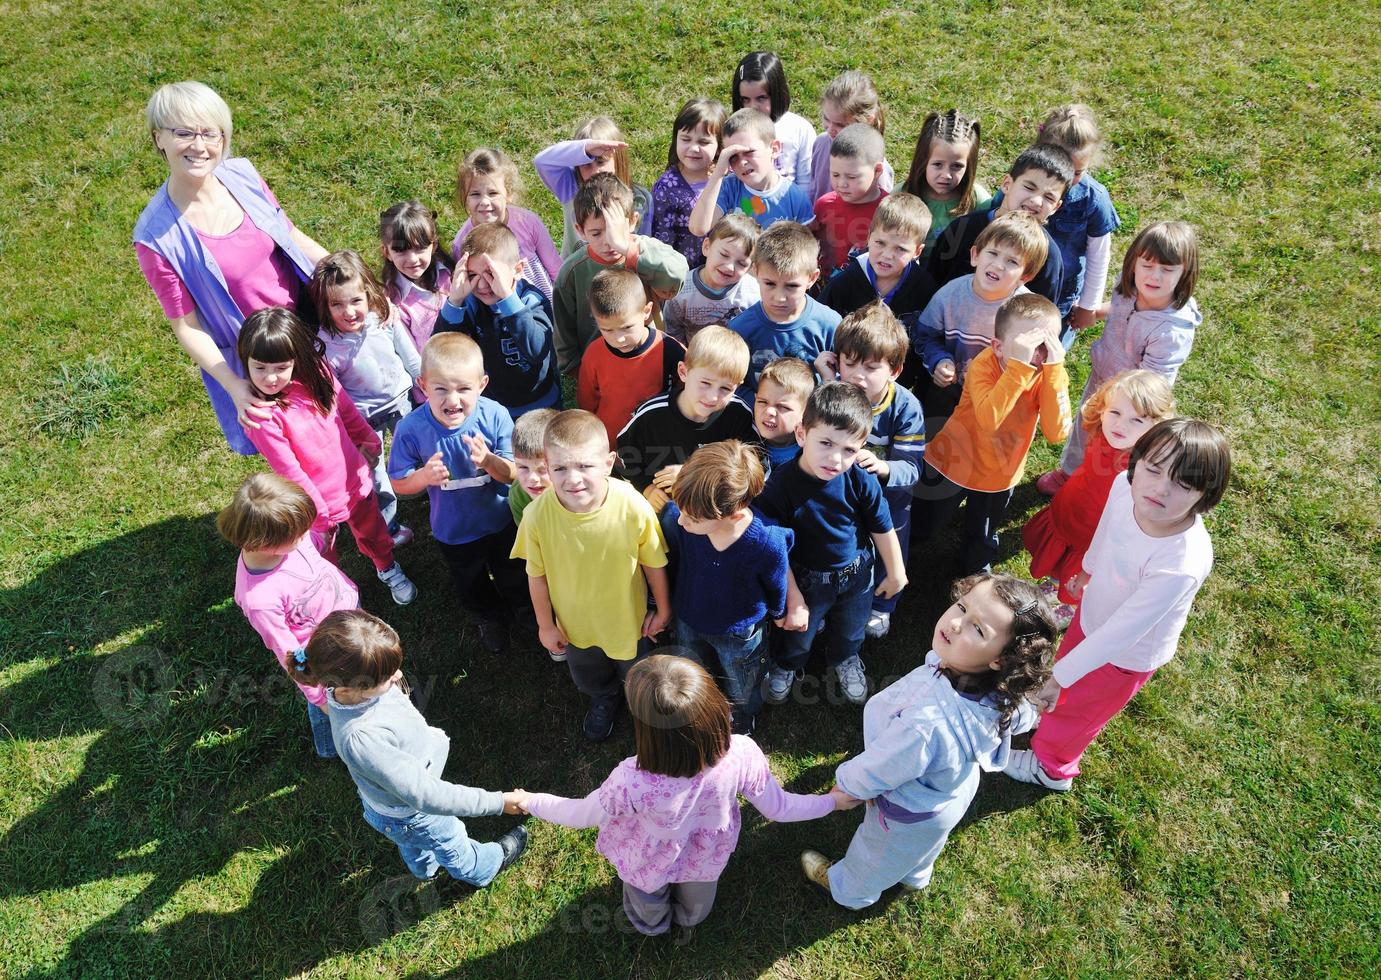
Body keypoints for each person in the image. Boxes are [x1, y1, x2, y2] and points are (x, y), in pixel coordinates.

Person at [512, 656, 848, 936]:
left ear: (649, 735)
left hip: (645, 859)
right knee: (697, 903)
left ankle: (653, 926)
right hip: (704, 858)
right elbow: (781, 807)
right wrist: (832, 801)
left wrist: (530, 800)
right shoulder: (743, 753)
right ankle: (689, 920)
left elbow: (580, 813)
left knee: (646, 898)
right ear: (716, 705)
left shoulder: (631, 780)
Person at [800, 573, 1057, 907]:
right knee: (925, 843)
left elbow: (881, 768)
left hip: (904, 810)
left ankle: (849, 890)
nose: (955, 624)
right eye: (962, 607)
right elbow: (1022, 714)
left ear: (1001, 659)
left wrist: (846, 787)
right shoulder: (1001, 690)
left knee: (875, 854)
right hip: (950, 794)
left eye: (978, 629)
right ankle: (916, 874)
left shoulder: (924, 727)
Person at [1005, 419, 1230, 792]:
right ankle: (1047, 709)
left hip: (1126, 657)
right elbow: (1107, 533)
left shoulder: (1180, 563)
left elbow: (1120, 635)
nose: (1159, 488)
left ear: (1206, 496)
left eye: (1183, 483)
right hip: (1094, 614)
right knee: (1068, 672)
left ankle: (1052, 767)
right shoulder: (1125, 489)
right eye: (1153, 469)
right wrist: (1089, 571)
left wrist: (1059, 679)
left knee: (1079, 711)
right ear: (1136, 462)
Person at [134, 81, 329, 454]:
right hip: (264, 360)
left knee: (348, 426)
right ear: (158, 138)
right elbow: (186, 326)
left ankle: (378, 508)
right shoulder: (156, 237)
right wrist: (234, 385)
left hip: (312, 325)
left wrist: (350, 279)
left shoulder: (242, 175)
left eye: (211, 133)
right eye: (183, 133)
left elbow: (289, 234)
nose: (199, 145)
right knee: (307, 455)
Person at [299, 610, 529, 885]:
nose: (396, 675)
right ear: (351, 687)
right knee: (450, 839)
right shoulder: (363, 739)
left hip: (391, 808)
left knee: (412, 841)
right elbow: (426, 796)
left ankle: (423, 869)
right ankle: (482, 868)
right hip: (414, 814)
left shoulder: (342, 689)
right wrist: (498, 802)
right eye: (385, 678)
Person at [235, 307, 416, 604]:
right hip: (315, 508)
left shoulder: (317, 376)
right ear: (246, 362)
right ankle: (334, 593)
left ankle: (387, 567)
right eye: (260, 368)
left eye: (281, 367)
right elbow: (289, 470)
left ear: (296, 358)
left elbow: (346, 411)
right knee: (322, 555)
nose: (270, 378)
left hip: (354, 480)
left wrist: (368, 441)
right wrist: (319, 514)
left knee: (373, 531)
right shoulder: (262, 416)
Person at [511, 410, 671, 740]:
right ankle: (603, 698)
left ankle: (640, 704)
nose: (572, 479)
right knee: (589, 675)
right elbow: (536, 575)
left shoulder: (631, 505)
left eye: (584, 466)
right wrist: (545, 624)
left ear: (609, 463)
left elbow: (654, 561)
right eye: (559, 468)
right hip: (574, 628)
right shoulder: (536, 515)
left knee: (638, 673)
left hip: (629, 622)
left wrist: (664, 610)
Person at [756, 383, 907, 706]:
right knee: (799, 634)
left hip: (857, 574)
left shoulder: (860, 478)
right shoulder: (780, 486)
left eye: (849, 450)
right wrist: (794, 598)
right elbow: (775, 549)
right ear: (801, 434)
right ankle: (788, 664)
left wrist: (895, 572)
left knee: (852, 628)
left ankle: (845, 658)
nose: (836, 459)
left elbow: (882, 525)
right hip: (807, 580)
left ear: (862, 447)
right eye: (825, 443)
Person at [1038, 221, 1202, 494]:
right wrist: (1095, 312)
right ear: (1133, 263)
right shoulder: (1128, 286)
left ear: (1184, 273)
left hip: (1131, 403)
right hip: (1102, 377)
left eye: (1167, 270)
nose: (1155, 277)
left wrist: (1119, 405)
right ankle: (1068, 473)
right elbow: (1118, 306)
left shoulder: (1171, 331)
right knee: (1083, 426)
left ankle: (1096, 488)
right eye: (1147, 266)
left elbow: (1153, 383)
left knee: (1112, 445)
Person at [914, 294, 1072, 575]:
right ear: (997, 347)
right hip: (953, 462)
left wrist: (1054, 373)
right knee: (923, 523)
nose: (1039, 354)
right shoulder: (983, 365)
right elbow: (990, 419)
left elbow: (1056, 432)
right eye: (1028, 345)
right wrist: (1018, 369)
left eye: (1047, 344)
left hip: (1000, 472)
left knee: (982, 531)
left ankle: (974, 565)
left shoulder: (1048, 374)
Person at [388, 333, 525, 654]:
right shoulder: (411, 428)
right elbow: (399, 483)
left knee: (514, 571)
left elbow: (513, 474)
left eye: (464, 389)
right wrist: (422, 476)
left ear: (482, 384)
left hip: (502, 521)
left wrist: (489, 460)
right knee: (470, 581)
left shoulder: (495, 415)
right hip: (454, 531)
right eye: (441, 389)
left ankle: (524, 607)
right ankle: (488, 616)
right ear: (422, 385)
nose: (453, 400)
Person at [218, 473, 360, 758]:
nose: (305, 535)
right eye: (298, 535)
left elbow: (310, 548)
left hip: (343, 618)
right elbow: (290, 655)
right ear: (265, 544)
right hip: (321, 658)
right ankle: (330, 746)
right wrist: (321, 698)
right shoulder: (260, 599)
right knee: (329, 707)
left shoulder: (289, 537)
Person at [1023, 370, 1176, 628]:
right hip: (1070, 509)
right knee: (1060, 559)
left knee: (1079, 568)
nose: (1120, 425)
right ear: (1103, 409)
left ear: (1155, 427)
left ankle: (1071, 605)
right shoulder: (1102, 434)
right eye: (1115, 413)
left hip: (1095, 532)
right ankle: (1058, 582)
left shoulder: (1143, 466)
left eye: (1137, 420)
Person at [665, 442, 794, 734]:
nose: (681, 520)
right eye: (681, 509)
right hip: (689, 616)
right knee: (694, 666)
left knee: (743, 679)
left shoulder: (766, 542)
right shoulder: (685, 518)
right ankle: (700, 703)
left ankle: (744, 716)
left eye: (693, 518)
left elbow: (776, 582)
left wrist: (778, 611)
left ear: (734, 515)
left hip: (739, 632)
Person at [819, 302, 927, 640]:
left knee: (888, 552)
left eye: (871, 367)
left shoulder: (906, 407)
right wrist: (826, 379)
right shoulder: (836, 392)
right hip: (841, 501)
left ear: (894, 370)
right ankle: (828, 601)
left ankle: (883, 605)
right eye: (849, 364)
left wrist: (882, 466)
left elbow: (911, 468)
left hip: (888, 504)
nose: (857, 376)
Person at [309, 250, 420, 545]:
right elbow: (334, 393)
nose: (349, 312)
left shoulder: (381, 316)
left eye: (356, 300)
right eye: (337, 304)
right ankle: (390, 527)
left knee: (418, 448)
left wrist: (423, 374)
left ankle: (431, 491)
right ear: (324, 306)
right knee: (374, 474)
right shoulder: (326, 345)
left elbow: (407, 351)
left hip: (401, 400)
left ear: (368, 295)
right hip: (363, 418)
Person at [910, 212, 1048, 428]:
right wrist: (939, 360)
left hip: (995, 398)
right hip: (948, 390)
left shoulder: (1027, 314)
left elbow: (1038, 363)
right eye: (993, 253)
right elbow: (924, 335)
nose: (998, 265)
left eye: (1012, 261)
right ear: (975, 255)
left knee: (979, 451)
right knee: (934, 441)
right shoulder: (949, 295)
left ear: (1025, 276)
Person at [552, 174, 688, 374]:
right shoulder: (572, 271)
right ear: (580, 230)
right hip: (601, 367)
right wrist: (576, 369)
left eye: (615, 230)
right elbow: (564, 330)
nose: (608, 242)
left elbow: (676, 277)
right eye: (597, 233)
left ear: (633, 221)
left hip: (649, 358)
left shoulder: (646, 249)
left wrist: (628, 250)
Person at [615, 327, 757, 517]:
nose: (713, 397)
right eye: (705, 383)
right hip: (664, 508)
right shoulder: (651, 416)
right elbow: (624, 455)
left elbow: (754, 467)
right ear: (683, 372)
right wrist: (646, 488)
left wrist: (692, 474)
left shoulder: (739, 415)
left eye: (725, 388)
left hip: (716, 509)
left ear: (737, 387)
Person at [433, 222, 561, 420]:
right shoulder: (470, 304)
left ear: (518, 270)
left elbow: (537, 349)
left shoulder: (532, 300)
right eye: (473, 275)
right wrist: (455, 300)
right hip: (493, 406)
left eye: (492, 274)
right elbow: (442, 349)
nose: (483, 284)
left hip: (542, 403)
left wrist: (508, 301)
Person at [926, 143, 1073, 305]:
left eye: (1049, 197)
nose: (1036, 201)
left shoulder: (1047, 255)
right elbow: (932, 283)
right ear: (1007, 184)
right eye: (1029, 187)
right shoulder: (963, 228)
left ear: (1056, 207)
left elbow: (1041, 314)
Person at [1032, 105, 1122, 345]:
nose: (1067, 179)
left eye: (1077, 172)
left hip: (1060, 300)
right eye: (1061, 168)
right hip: (1014, 285)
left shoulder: (1093, 199)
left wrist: (1088, 306)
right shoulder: (1026, 182)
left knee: (1048, 359)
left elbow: (1099, 256)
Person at [726, 221, 841, 392]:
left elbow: (844, 378)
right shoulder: (739, 329)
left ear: (812, 278)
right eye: (770, 283)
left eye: (792, 286)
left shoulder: (830, 325)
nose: (779, 298)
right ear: (756, 271)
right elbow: (732, 384)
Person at [577, 269, 686, 445]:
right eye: (607, 330)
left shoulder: (671, 350)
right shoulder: (594, 354)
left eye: (627, 327)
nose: (618, 339)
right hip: (609, 439)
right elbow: (587, 399)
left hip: (656, 439)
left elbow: (687, 391)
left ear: (646, 311)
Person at [534, 116, 654, 257]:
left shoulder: (640, 198)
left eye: (601, 162)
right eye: (586, 164)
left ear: (618, 158)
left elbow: (644, 248)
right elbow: (542, 161)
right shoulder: (570, 187)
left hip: (620, 276)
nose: (595, 171)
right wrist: (584, 150)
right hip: (575, 275)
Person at [452, 147, 561, 300]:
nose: (484, 202)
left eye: (493, 193)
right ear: (465, 196)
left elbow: (556, 271)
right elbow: (465, 289)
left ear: (508, 193)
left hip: (544, 306)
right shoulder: (462, 242)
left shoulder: (528, 222)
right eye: (475, 194)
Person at [688, 109, 814, 238]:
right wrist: (718, 173)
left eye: (749, 152)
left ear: (774, 149)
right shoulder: (728, 188)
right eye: (733, 156)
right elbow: (698, 228)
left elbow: (805, 250)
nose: (742, 162)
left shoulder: (796, 197)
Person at [899, 110, 992, 254]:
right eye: (937, 164)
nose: (946, 175)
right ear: (923, 161)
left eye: (957, 166)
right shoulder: (902, 194)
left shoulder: (978, 200)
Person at [662, 213, 762, 346]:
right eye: (724, 255)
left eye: (742, 263)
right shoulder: (681, 290)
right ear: (706, 247)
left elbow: (756, 335)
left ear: (750, 267)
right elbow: (672, 334)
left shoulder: (753, 294)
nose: (729, 267)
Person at [651, 98, 727, 267]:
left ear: (720, 146)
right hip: (684, 276)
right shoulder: (667, 187)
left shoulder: (728, 179)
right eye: (686, 139)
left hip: (725, 273)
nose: (693, 148)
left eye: (704, 142)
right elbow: (660, 240)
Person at [379, 201, 453, 369]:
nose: (412, 259)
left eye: (420, 248)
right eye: (400, 250)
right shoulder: (393, 302)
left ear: (433, 245)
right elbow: (412, 361)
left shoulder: (452, 274)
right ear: (386, 253)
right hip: (435, 383)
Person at [811, 124, 889, 278]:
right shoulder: (824, 204)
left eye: (852, 177)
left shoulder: (888, 211)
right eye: (835, 174)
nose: (841, 183)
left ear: (877, 170)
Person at [731, 51, 816, 191]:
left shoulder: (800, 129)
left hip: (790, 209)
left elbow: (807, 182)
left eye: (761, 98)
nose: (753, 106)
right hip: (743, 210)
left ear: (777, 93)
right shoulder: (733, 131)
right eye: (745, 99)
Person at [808, 69, 893, 205]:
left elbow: (882, 209)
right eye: (826, 118)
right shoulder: (822, 143)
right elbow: (814, 189)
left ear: (868, 121)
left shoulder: (875, 165)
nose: (830, 129)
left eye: (840, 125)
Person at [752, 356, 815, 471]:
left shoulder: (810, 456)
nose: (769, 411)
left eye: (782, 407)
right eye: (762, 402)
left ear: (805, 412)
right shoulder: (743, 434)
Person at [508, 407, 559, 526]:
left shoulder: (577, 491)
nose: (532, 478)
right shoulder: (518, 495)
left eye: (542, 469)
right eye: (523, 467)